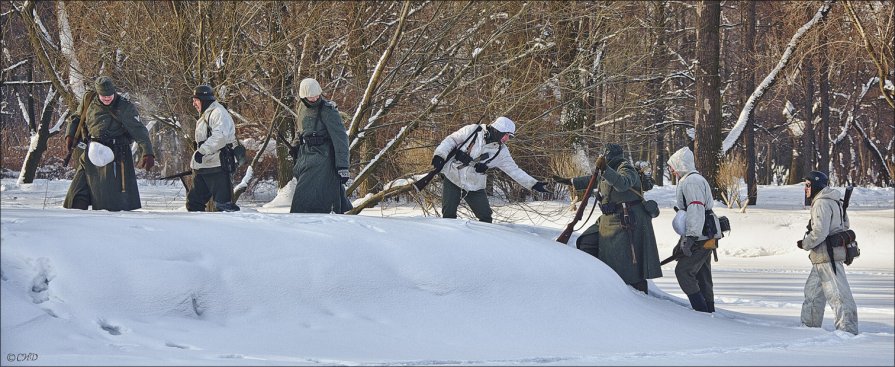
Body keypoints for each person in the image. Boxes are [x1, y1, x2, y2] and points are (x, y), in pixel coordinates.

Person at [553, 144, 662, 294]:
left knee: (628, 263)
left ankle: (634, 294)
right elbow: (593, 180)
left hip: (626, 220)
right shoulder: (609, 170)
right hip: (609, 219)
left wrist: (605, 169)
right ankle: (598, 278)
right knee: (587, 241)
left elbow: (623, 184)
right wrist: (570, 181)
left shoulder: (626, 168)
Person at [431, 116, 549, 223]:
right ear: (498, 130)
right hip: (453, 177)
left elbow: (514, 170)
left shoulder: (501, 152)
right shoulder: (473, 131)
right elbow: (451, 140)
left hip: (474, 185)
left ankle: (483, 244)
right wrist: (439, 155)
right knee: (448, 216)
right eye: (507, 134)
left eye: (510, 136)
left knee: (486, 217)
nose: (508, 138)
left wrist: (534, 184)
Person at [63, 76, 155, 211]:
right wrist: (70, 134)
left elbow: (139, 131)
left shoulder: (125, 107)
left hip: (116, 156)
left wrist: (148, 152)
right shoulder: (89, 99)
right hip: (91, 152)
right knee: (76, 195)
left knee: (108, 204)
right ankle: (79, 226)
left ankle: (108, 229)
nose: (107, 98)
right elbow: (77, 117)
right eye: (103, 96)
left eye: (109, 95)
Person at [798, 171, 858, 334]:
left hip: (827, 257)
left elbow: (819, 232)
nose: (806, 189)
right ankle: (808, 328)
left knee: (838, 295)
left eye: (808, 185)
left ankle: (848, 330)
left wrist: (805, 243)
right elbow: (845, 225)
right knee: (812, 294)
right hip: (821, 256)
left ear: (816, 185)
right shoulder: (836, 201)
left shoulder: (821, 203)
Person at [665, 146, 721, 312]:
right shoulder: (692, 179)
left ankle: (700, 309)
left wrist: (691, 237)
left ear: (681, 165)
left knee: (683, 271)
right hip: (705, 234)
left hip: (702, 235)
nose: (673, 171)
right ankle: (708, 311)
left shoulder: (691, 182)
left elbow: (695, 209)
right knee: (702, 274)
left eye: (674, 167)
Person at [290, 78, 352, 214]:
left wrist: (343, 166)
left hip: (324, 158)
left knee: (309, 194)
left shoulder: (328, 110)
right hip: (305, 155)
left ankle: (309, 219)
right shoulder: (301, 107)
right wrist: (295, 145)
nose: (314, 99)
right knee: (308, 193)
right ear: (303, 96)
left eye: (317, 95)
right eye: (311, 96)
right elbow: (301, 129)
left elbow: (340, 138)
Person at [187, 85, 240, 212]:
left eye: (196, 100)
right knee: (193, 204)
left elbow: (220, 136)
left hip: (218, 166)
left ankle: (233, 230)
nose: (193, 104)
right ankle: (199, 230)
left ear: (204, 99)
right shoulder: (207, 113)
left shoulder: (218, 113)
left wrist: (202, 151)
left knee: (223, 206)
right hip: (203, 167)